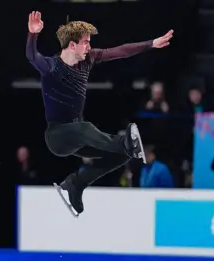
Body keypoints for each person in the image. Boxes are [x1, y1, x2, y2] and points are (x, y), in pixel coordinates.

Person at [26, 11, 174, 215]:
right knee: (87, 129)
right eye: (85, 42)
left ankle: (76, 183)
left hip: (78, 136)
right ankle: (122, 141)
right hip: (57, 136)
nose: (89, 46)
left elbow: (120, 51)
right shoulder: (52, 67)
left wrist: (151, 43)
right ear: (72, 45)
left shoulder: (88, 59)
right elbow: (32, 56)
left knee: (123, 155)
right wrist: (32, 34)